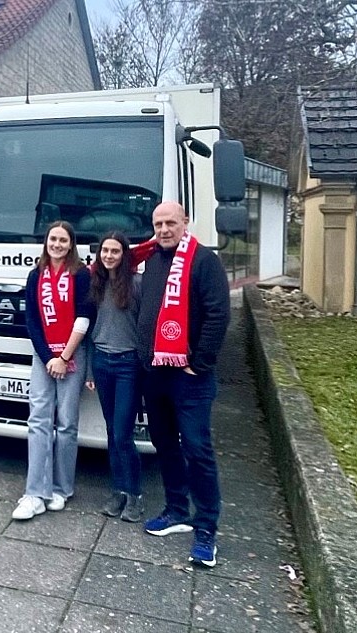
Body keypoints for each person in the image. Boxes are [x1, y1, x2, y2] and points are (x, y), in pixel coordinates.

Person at [137, 201, 230, 568]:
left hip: (190, 377)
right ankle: (176, 509)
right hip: (155, 373)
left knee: (197, 450)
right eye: (158, 223)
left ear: (185, 222)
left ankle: (206, 527)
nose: (163, 229)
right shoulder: (153, 260)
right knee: (164, 444)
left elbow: (218, 313)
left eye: (170, 222)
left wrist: (199, 363)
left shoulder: (204, 261)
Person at [12, 221, 93, 520]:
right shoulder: (36, 275)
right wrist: (49, 358)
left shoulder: (81, 275)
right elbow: (32, 321)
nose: (56, 244)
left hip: (74, 353)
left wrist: (65, 356)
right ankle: (35, 492)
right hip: (43, 356)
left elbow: (85, 317)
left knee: (67, 422)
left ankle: (62, 488)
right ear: (46, 242)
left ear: (71, 244)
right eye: (52, 239)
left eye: (62, 240)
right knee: (38, 421)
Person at [86, 231, 144, 522]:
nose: (109, 256)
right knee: (111, 431)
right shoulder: (95, 284)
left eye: (115, 251)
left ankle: (135, 495)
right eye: (105, 251)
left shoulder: (136, 284)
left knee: (123, 433)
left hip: (128, 365)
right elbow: (85, 329)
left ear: (124, 255)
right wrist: (88, 371)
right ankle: (119, 490)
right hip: (102, 362)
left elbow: (146, 326)